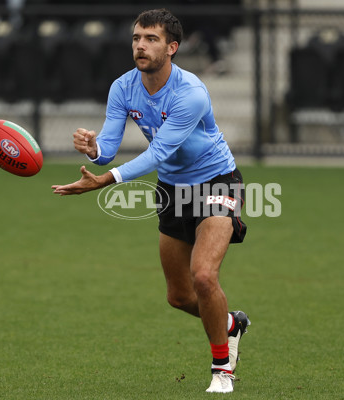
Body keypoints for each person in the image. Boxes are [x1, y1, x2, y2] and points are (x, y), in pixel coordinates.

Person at [51, 8, 250, 394]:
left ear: (172, 47)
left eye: (151, 39)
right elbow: (108, 146)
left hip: (216, 182)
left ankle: (222, 368)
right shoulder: (123, 87)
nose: (140, 46)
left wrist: (106, 181)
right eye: (136, 38)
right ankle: (230, 323)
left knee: (204, 277)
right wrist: (94, 150)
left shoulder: (190, 93)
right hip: (173, 190)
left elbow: (158, 153)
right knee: (178, 296)